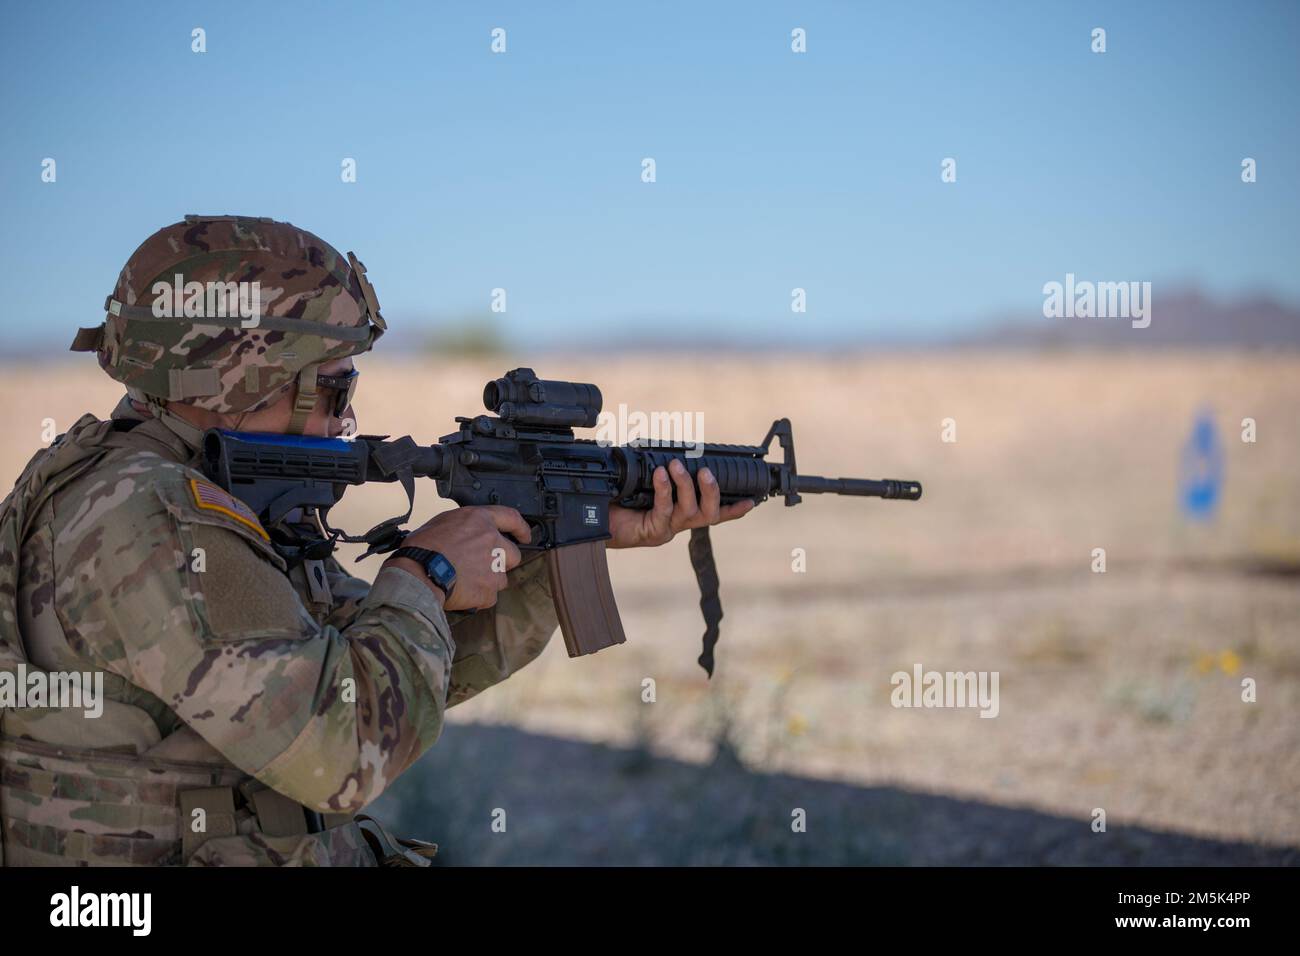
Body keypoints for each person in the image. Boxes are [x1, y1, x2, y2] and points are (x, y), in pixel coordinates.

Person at [0, 215, 753, 866]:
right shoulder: (153, 517)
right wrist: (423, 570)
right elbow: (337, 753)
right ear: (247, 377)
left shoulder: (175, 483)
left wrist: (566, 538)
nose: (343, 421)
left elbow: (388, 677)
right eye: (334, 390)